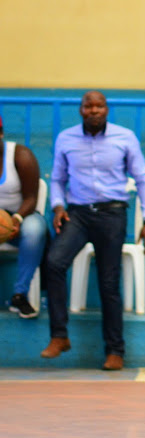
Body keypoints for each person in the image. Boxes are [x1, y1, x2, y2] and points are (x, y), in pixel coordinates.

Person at [40, 91, 145, 371]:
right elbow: (57, 179)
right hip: (78, 214)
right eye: (88, 105)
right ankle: (59, 336)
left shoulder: (124, 137)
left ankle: (115, 350)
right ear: (80, 110)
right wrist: (57, 207)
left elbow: (142, 179)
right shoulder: (66, 138)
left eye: (99, 105)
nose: (94, 110)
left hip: (112, 214)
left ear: (107, 109)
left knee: (108, 281)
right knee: (54, 263)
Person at [0, 114, 48, 318]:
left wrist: (16, 220)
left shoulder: (20, 155)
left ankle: (20, 294)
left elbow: (31, 197)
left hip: (22, 214)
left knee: (35, 230)